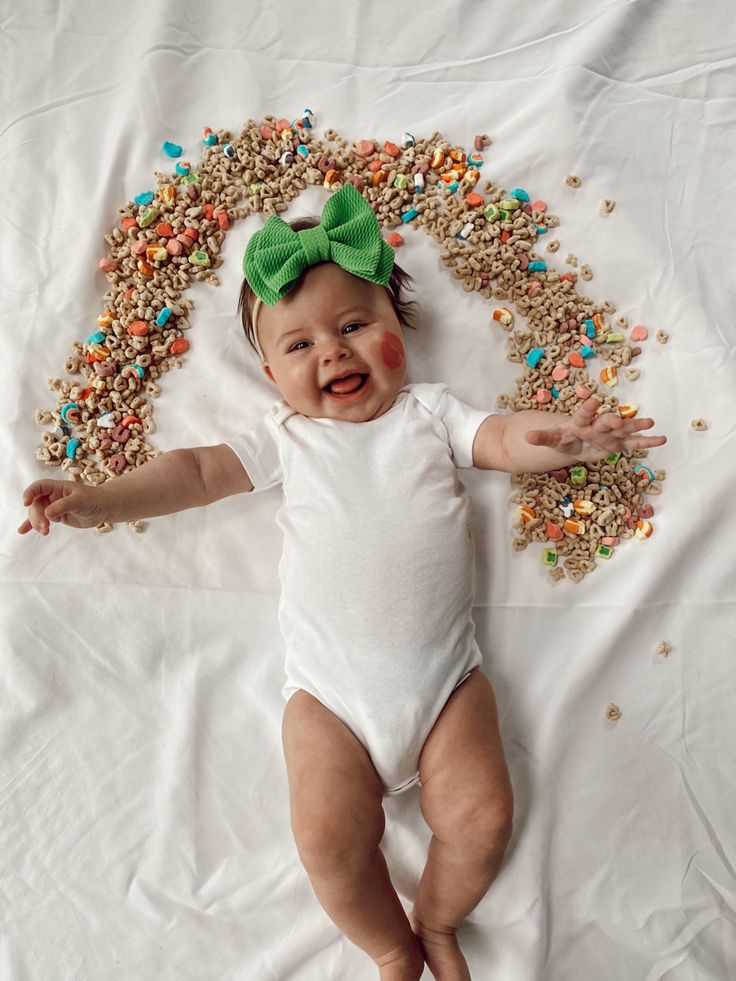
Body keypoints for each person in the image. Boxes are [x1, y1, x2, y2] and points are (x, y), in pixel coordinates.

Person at [19, 183, 666, 981]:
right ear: (268, 374)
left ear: (399, 329)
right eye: (299, 345)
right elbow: (192, 471)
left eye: (356, 325)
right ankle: (390, 947)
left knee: (483, 815)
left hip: (445, 686)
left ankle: (435, 917)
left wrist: (563, 437)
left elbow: (502, 437)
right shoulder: (287, 438)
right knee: (326, 839)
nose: (332, 351)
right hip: (329, 697)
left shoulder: (431, 415)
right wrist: (100, 501)